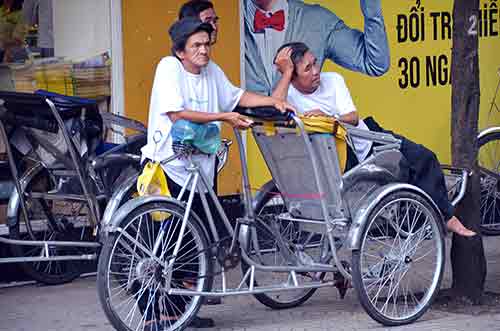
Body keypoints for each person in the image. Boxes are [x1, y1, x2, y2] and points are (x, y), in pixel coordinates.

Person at [138, 17, 295, 330]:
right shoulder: (169, 67)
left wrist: (273, 101)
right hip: (169, 166)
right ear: (180, 51)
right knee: (164, 244)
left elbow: (237, 97)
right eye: (196, 45)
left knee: (192, 244)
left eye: (206, 44)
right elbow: (176, 112)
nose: (203, 50)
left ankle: (181, 315)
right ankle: (155, 315)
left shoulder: (212, 72)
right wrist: (224, 117)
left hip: (201, 168)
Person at [271, 42, 476, 238]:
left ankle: (447, 217)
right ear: (293, 77)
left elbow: (352, 117)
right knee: (415, 165)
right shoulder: (287, 94)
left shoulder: (332, 79)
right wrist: (286, 74)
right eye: (307, 69)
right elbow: (273, 109)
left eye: (315, 62)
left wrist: (328, 118)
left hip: (367, 139)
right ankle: (442, 216)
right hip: (339, 158)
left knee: (424, 158)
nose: (316, 71)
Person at [244, 0, 390, 95]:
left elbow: (375, 63)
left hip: (302, 140)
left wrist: (371, 7)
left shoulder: (318, 21)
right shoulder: (225, 22)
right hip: (236, 139)